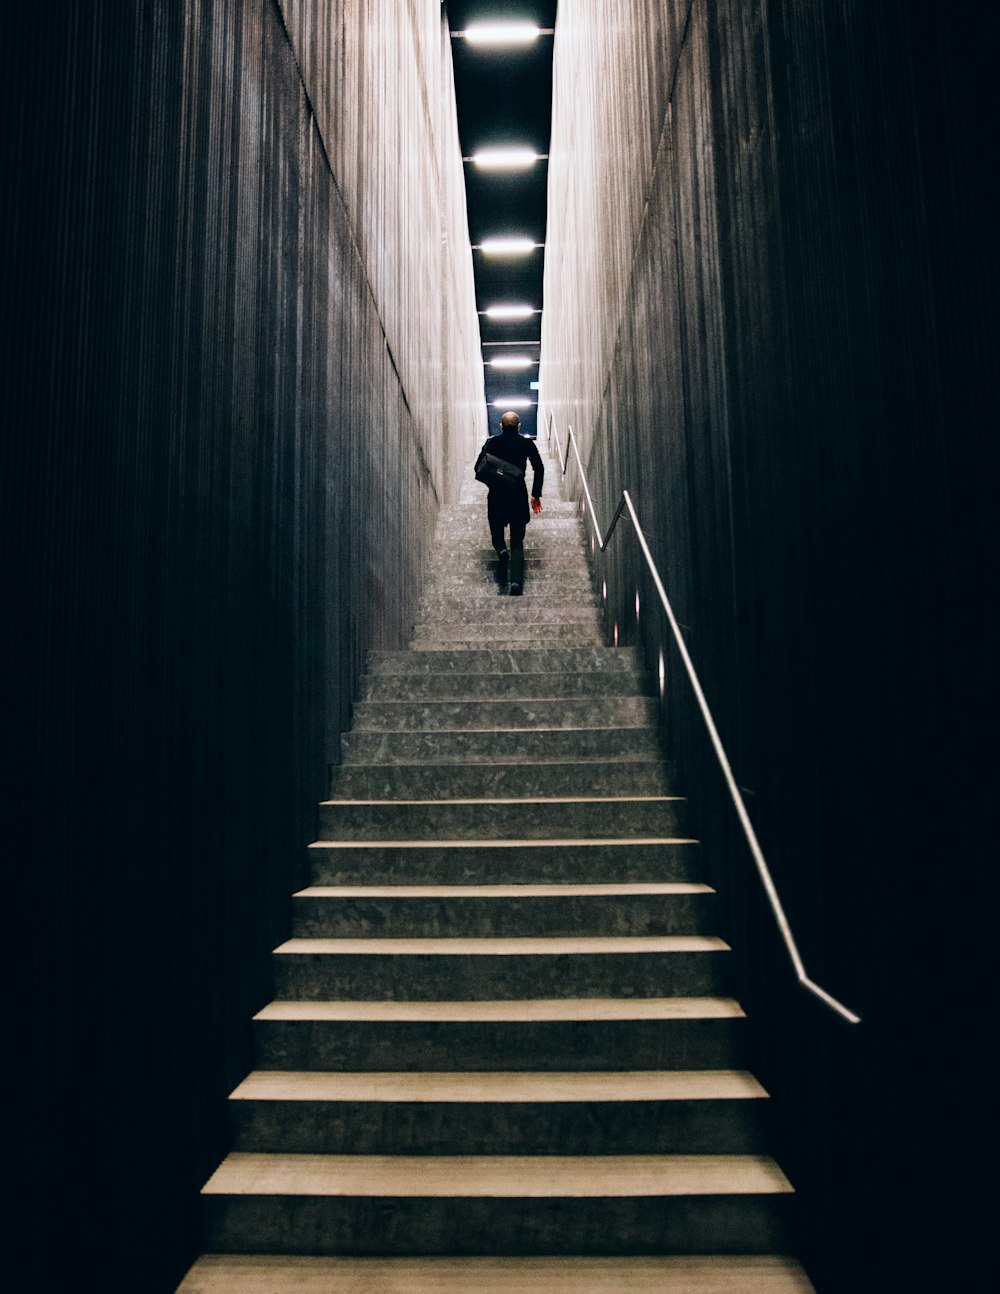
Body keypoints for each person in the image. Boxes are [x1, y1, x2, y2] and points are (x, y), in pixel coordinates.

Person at [474, 410, 544, 594]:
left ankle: (502, 553)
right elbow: (539, 467)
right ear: (519, 426)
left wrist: (494, 478)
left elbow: (478, 467)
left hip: (497, 494)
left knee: (497, 533)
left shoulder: (492, 442)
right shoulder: (526, 443)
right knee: (517, 541)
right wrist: (536, 494)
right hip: (518, 495)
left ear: (501, 426)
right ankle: (515, 583)